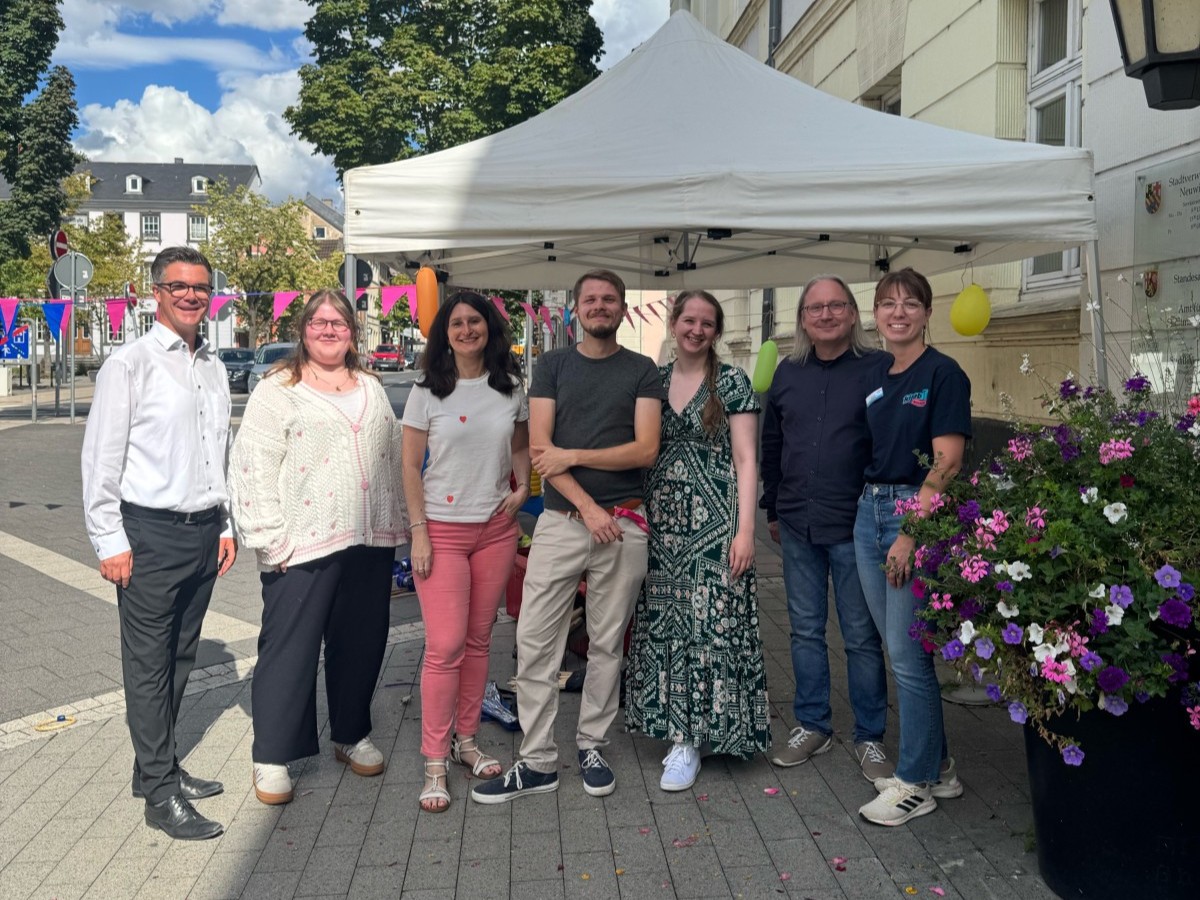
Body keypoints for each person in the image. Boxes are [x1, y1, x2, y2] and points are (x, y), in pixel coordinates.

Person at [471, 268, 665, 804]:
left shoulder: (643, 370)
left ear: (623, 309)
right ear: (576, 309)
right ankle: (536, 761)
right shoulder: (553, 365)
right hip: (562, 523)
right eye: (591, 299)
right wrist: (586, 506)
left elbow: (645, 449)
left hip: (624, 523)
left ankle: (593, 743)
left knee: (606, 643)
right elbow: (539, 450)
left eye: (609, 299)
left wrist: (576, 458)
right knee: (535, 642)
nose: (600, 306)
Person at [228, 289, 406, 806]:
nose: (329, 331)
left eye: (339, 324)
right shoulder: (278, 388)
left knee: (361, 641)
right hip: (301, 541)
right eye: (319, 323)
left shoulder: (370, 387)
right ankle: (273, 755)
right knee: (290, 649)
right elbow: (253, 462)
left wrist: (403, 524)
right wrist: (267, 535)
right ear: (303, 329)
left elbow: (392, 454)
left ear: (353, 332)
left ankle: (351, 734)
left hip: (369, 539)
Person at [82, 246, 236, 840]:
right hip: (147, 533)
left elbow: (214, 454)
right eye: (180, 287)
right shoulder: (130, 364)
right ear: (157, 293)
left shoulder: (213, 366)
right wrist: (108, 539)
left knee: (180, 658)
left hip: (202, 531)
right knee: (147, 666)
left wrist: (224, 525)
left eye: (201, 286)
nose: (193, 295)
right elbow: (101, 460)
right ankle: (159, 795)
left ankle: (157, 769)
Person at [624, 290, 770, 791]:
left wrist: (745, 531)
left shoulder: (730, 381)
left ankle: (704, 734)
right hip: (662, 528)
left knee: (712, 626)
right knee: (668, 624)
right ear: (673, 321)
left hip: (716, 528)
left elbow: (747, 459)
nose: (697, 329)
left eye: (707, 322)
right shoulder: (654, 380)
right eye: (689, 319)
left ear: (717, 330)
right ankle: (678, 734)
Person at [401, 291, 530, 813]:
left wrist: (523, 488)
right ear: (444, 334)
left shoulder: (511, 387)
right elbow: (411, 466)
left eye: (475, 321)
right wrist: (418, 532)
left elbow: (520, 450)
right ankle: (434, 758)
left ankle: (466, 742)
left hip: (496, 530)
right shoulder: (427, 390)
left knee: (478, 643)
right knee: (445, 645)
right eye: (456, 323)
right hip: (443, 531)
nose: (466, 329)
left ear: (489, 328)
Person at [760, 276, 893, 782]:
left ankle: (870, 736)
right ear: (802, 317)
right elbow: (772, 445)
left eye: (837, 305)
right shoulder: (787, 374)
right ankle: (812, 725)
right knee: (804, 630)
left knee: (860, 635)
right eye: (816, 307)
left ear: (853, 313)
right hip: (796, 520)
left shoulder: (879, 368)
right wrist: (772, 508)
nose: (826, 314)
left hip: (857, 524)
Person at [853, 267, 971, 826]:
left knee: (906, 654)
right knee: (896, 645)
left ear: (927, 312)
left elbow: (947, 461)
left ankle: (916, 781)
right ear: (875, 314)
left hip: (910, 516)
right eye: (887, 304)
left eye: (910, 303)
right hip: (868, 509)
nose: (897, 312)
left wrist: (910, 533)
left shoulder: (943, 373)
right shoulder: (880, 374)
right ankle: (941, 766)